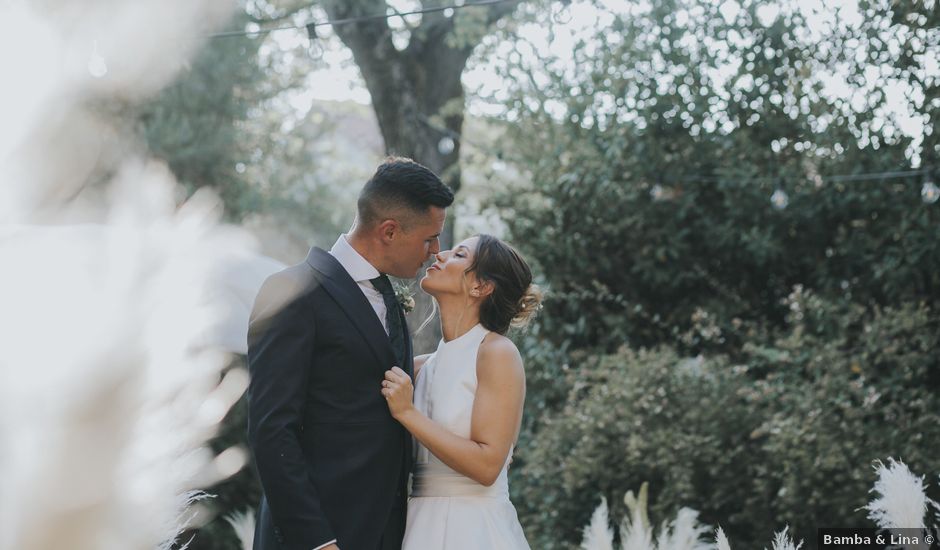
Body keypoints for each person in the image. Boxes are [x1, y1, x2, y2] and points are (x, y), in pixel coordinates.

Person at [246, 157, 454, 550]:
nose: (435, 250)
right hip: (318, 535)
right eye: (429, 238)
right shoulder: (292, 292)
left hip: (386, 532)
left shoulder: (390, 295)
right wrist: (318, 540)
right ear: (389, 231)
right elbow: (271, 431)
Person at [382, 234, 541, 549]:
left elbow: (486, 466)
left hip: (474, 529)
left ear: (480, 287)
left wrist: (406, 413)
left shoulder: (496, 353)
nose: (439, 255)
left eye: (458, 255)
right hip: (417, 525)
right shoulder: (420, 367)